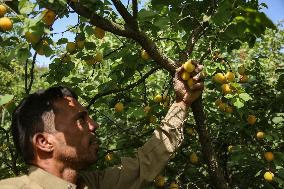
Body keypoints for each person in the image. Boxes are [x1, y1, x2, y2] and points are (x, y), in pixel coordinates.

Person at [0, 64, 204, 189]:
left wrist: (182, 103)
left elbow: (145, 163)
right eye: (80, 119)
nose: (94, 125)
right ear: (44, 142)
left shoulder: (95, 184)